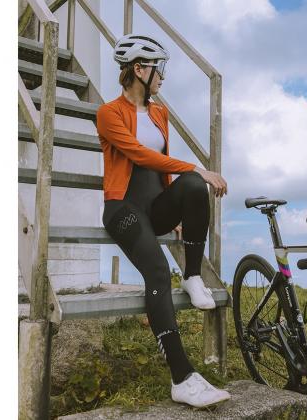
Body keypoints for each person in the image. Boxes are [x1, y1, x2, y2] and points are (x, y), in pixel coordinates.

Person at [96, 34, 230, 408]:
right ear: (139, 69)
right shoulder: (109, 113)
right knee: (156, 271)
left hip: (154, 208)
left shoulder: (160, 113)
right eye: (159, 69)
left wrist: (177, 211)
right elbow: (141, 155)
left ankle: (192, 275)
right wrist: (196, 168)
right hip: (123, 210)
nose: (163, 77)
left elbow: (163, 171)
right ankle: (182, 378)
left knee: (193, 188)